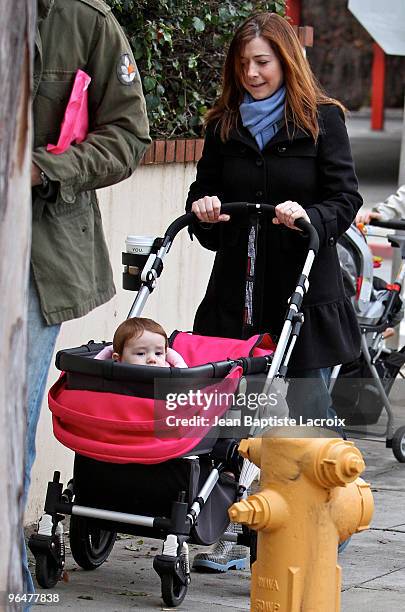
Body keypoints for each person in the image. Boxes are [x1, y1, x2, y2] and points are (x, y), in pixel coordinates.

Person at [186, 12, 362, 572]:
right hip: (237, 293)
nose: (252, 74)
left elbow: (345, 198)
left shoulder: (322, 120)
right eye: (243, 65)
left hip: (302, 292)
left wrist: (307, 217)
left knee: (309, 407)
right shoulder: (224, 124)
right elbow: (202, 196)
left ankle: (328, 511)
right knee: (235, 410)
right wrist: (206, 212)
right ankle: (239, 524)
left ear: (286, 60)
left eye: (262, 62)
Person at [24, 0, 151, 596]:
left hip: (37, 259)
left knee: (13, 417)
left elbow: (128, 136)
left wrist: (49, 168)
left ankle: (10, 583)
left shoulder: (86, 21)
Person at [110, 317, 187, 367]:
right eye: (140, 353)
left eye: (158, 353)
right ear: (118, 359)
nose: (152, 359)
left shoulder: (170, 376)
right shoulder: (110, 380)